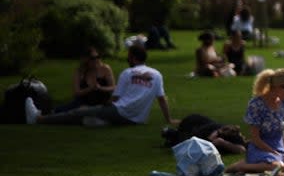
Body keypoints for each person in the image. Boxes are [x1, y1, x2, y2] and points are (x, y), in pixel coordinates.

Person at [28, 43, 175, 127]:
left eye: (128, 56)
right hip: (137, 120)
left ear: (133, 58)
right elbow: (162, 99)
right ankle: (98, 121)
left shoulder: (127, 73)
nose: (127, 58)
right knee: (89, 113)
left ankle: (39, 119)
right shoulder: (157, 75)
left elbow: (115, 98)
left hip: (120, 112)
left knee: (79, 112)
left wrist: (101, 106)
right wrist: (169, 119)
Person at [226, 68, 284, 175]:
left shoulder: (283, 103)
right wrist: (274, 152)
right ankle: (240, 166)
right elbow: (255, 138)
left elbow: (282, 129)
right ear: (278, 87)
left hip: (278, 147)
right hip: (260, 147)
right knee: (278, 166)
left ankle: (249, 168)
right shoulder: (257, 104)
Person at [54, 46, 116, 112]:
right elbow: (76, 93)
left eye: (98, 57)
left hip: (101, 102)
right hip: (82, 102)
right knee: (61, 110)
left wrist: (100, 88)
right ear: (86, 60)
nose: (96, 60)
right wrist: (90, 89)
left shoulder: (105, 68)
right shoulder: (80, 71)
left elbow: (113, 87)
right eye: (93, 58)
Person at [162, 113, 247, 154]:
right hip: (191, 124)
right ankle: (171, 133)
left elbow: (242, 149)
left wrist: (223, 143)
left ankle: (171, 134)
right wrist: (211, 140)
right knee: (182, 142)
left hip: (199, 124)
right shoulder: (206, 131)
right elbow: (194, 145)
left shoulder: (232, 135)